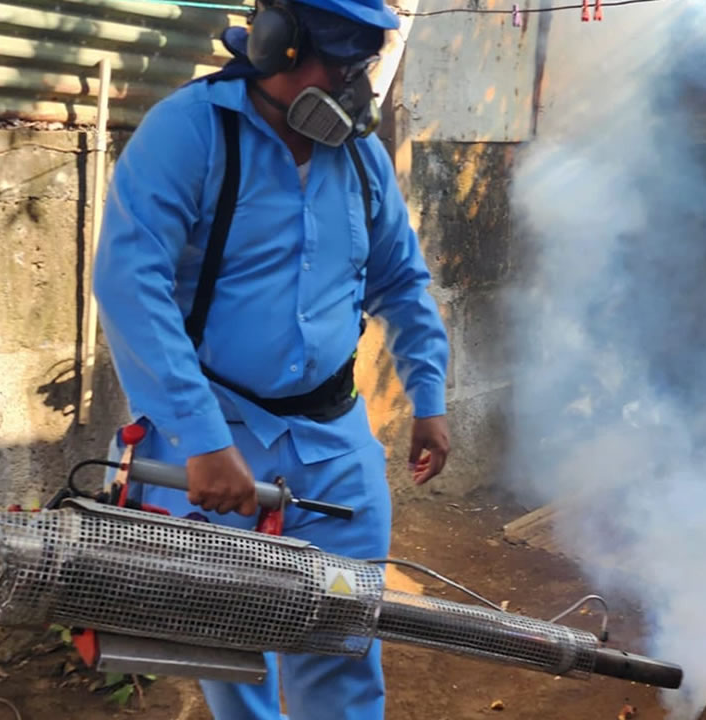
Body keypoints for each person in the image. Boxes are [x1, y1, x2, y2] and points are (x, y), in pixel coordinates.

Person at [91, 0, 451, 717]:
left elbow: (400, 281)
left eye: (364, 68)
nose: (356, 89)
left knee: (341, 638)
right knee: (231, 651)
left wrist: (430, 396)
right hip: (218, 441)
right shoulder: (190, 133)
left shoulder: (359, 157)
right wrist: (202, 440)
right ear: (279, 45)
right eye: (341, 66)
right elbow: (132, 285)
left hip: (332, 439)